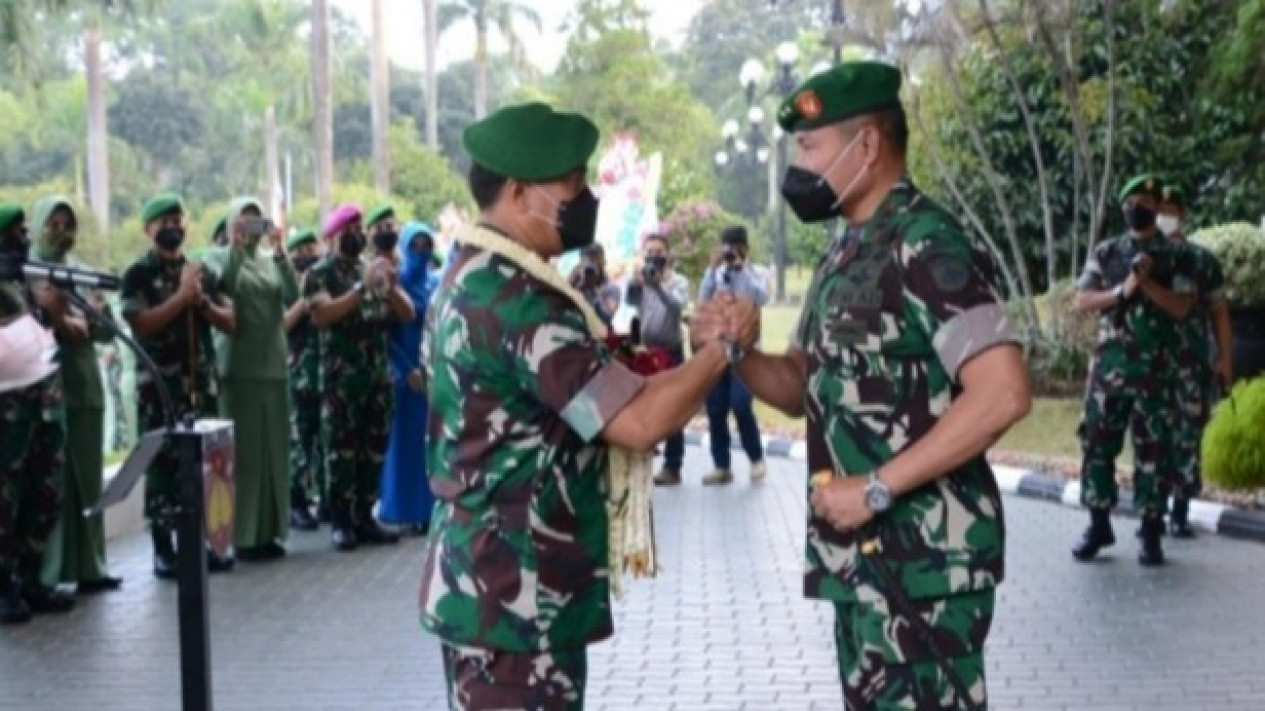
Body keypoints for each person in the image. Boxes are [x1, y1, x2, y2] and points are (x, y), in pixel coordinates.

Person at [694, 62, 1031, 709]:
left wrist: (875, 488)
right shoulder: (846, 251)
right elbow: (799, 386)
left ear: (867, 146)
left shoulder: (925, 244)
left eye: (810, 147)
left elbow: (1003, 391)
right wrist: (736, 350)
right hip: (865, 569)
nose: (801, 166)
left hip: (925, 571)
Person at [419, 102, 732, 710]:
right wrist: (722, 353)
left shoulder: (470, 275)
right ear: (519, 193)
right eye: (571, 183)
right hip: (515, 601)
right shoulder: (519, 302)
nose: (586, 198)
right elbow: (637, 422)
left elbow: (618, 392)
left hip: (483, 585)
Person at [1071, 174, 1196, 566]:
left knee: (1154, 452)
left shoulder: (1176, 256)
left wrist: (1147, 284)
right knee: (1096, 446)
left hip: (1156, 372)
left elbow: (1183, 306)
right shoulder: (1108, 251)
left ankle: (1151, 532)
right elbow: (1081, 300)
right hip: (1109, 371)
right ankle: (1098, 525)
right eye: (1131, 202)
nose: (1136, 208)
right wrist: (1121, 290)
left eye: (1145, 202)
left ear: (1157, 208)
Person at [121, 193, 237, 578]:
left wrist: (200, 302)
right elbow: (141, 324)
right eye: (164, 223)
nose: (172, 228)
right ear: (148, 229)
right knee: (162, 465)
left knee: (204, 463)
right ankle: (162, 548)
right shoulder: (137, 275)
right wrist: (181, 297)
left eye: (177, 221)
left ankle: (206, 542)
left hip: (199, 382)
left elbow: (230, 321)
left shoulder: (199, 271)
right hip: (159, 386)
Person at [303, 204, 414, 551]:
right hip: (341, 381)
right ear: (333, 237)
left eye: (358, 230)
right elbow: (322, 315)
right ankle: (341, 520)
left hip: (376, 378)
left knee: (373, 448)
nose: (355, 236)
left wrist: (390, 288)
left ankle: (365, 515)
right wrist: (359, 290)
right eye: (347, 231)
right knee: (341, 450)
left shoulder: (372, 268)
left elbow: (407, 314)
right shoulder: (319, 273)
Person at [30, 195, 122, 593]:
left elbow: (104, 329)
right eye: (53, 224)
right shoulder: (25, 272)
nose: (61, 232)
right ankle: (50, 572)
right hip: (42, 393)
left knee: (88, 480)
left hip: (83, 387)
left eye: (68, 225)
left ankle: (91, 567)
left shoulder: (82, 274)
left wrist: (74, 319)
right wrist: (71, 322)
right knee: (51, 486)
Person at [0, 203, 76, 624]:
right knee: (5, 498)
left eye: (23, 233)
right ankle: (4, 585)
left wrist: (51, 308)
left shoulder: (31, 279)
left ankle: (31, 578)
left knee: (45, 493)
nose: (22, 241)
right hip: (9, 410)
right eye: (11, 235)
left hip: (45, 403)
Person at [216, 198, 300, 561]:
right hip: (241, 369)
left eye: (256, 220)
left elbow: (294, 296)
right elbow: (225, 287)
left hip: (273, 368)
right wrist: (236, 248)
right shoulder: (221, 258)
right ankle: (243, 537)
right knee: (246, 457)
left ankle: (269, 531)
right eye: (244, 220)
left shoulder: (269, 260)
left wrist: (281, 252)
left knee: (273, 453)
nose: (251, 226)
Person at [1155, 183, 1233, 537]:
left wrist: (1225, 360)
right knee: (1152, 436)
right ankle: (1152, 510)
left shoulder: (1202, 261)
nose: (1164, 217)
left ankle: (1180, 510)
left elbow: (1220, 313)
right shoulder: (1139, 257)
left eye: (1170, 211)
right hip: (1148, 364)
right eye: (1159, 209)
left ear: (1182, 216)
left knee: (1187, 436)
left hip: (1190, 361)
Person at [378, 222, 439, 534]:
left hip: (431, 372)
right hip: (405, 375)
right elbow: (385, 335)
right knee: (405, 445)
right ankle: (402, 509)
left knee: (430, 443)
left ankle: (429, 510)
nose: (420, 251)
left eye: (426, 245)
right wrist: (405, 370)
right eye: (414, 245)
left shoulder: (436, 283)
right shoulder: (393, 284)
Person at [697, 226, 769, 485]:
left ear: (746, 249)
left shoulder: (757, 273)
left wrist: (742, 269)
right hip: (718, 349)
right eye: (726, 247)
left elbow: (762, 297)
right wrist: (712, 269)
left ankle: (756, 458)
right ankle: (721, 466)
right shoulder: (716, 273)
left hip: (745, 352)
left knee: (740, 404)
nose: (730, 253)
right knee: (715, 408)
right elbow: (702, 300)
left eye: (736, 248)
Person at [624, 233, 691, 485]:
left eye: (659, 251)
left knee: (673, 406)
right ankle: (645, 457)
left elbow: (676, 307)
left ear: (668, 255)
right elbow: (630, 302)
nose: (654, 256)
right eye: (649, 251)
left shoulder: (678, 281)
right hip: (647, 351)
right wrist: (635, 284)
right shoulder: (644, 279)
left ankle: (673, 465)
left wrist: (658, 286)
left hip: (671, 350)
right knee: (645, 405)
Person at [284, 227, 325, 530]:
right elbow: (283, 324)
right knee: (300, 441)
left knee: (324, 441)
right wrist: (305, 299)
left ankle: (325, 500)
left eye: (311, 250)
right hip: (297, 374)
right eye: (299, 252)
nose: (306, 256)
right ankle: (296, 502)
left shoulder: (325, 279)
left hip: (325, 373)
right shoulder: (286, 286)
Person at [570, 242, 620, 327]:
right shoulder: (577, 280)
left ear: (602, 262)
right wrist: (574, 278)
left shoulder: (611, 288)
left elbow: (607, 317)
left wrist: (596, 293)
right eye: (588, 260)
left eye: (594, 260)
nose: (591, 265)